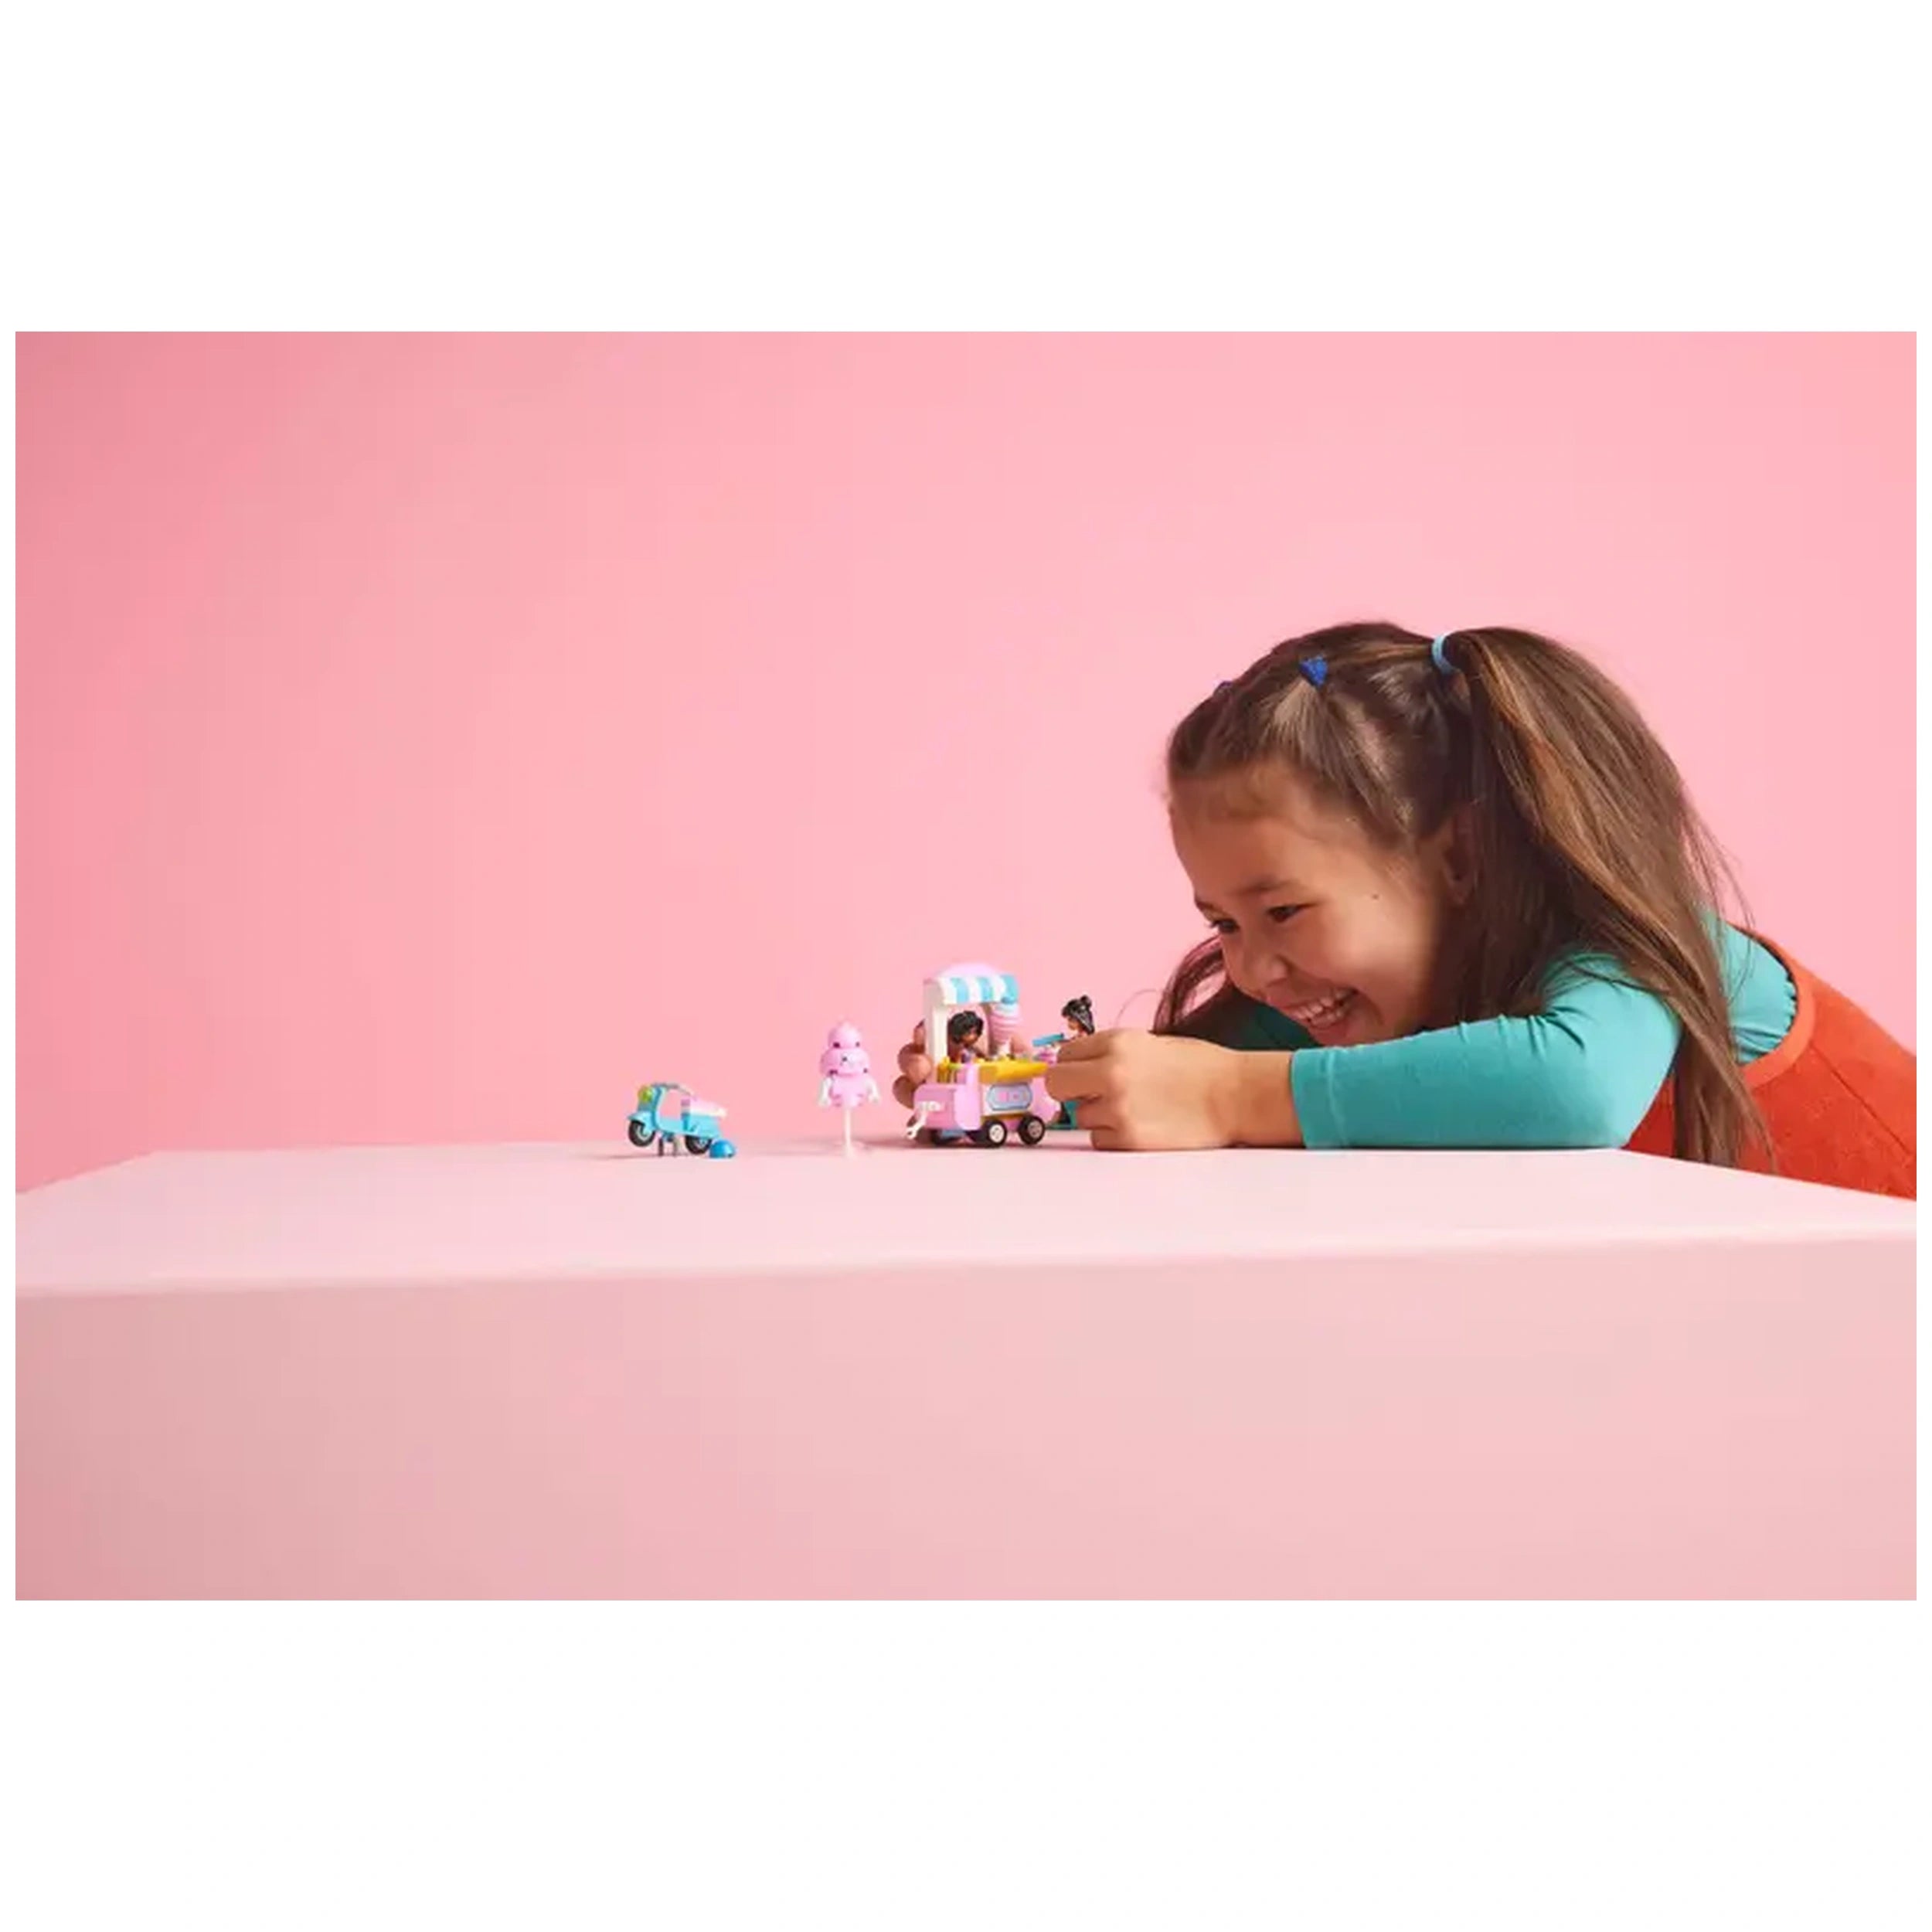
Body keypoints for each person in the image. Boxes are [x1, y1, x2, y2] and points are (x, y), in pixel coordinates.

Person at [891, 623, 1913, 1196]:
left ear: (1460, 855)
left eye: (1283, 910)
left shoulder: (1613, 938)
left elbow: (1573, 1095)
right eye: (1225, 923)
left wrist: (1228, 1100)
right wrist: (1011, 1085)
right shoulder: (1350, 1000)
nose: (1251, 970)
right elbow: (1173, 1087)